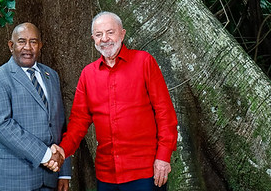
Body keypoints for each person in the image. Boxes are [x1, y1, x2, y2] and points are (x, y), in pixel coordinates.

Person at [51, 12, 178, 191]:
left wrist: (163, 157)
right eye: (98, 34)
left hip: (145, 171)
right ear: (93, 38)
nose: (105, 39)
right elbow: (79, 121)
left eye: (110, 32)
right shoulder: (88, 74)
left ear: (122, 34)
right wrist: (63, 150)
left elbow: (165, 113)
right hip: (107, 174)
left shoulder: (144, 62)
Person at [0, 22, 71, 191]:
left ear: (40, 46)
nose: (28, 47)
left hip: (50, 178)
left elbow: (60, 124)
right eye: (22, 41)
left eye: (33, 42)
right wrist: (45, 156)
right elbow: (2, 126)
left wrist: (63, 171)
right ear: (11, 45)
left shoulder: (51, 76)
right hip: (11, 181)